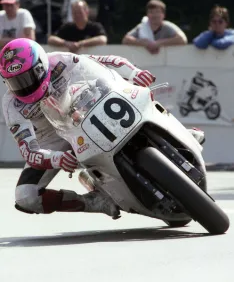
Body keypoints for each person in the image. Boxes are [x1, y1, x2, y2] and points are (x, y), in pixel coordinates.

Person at [0, 38, 204, 218]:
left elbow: (103, 61)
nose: (23, 87)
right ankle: (95, 202)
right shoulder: (11, 105)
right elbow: (29, 150)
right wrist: (55, 158)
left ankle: (182, 134)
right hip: (54, 140)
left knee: (140, 98)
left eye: (26, 78)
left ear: (40, 66)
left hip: (81, 111)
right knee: (26, 196)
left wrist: (134, 72)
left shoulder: (60, 60)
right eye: (14, 82)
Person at [122, 0, 187, 54]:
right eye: (151, 12)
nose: (154, 15)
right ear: (147, 14)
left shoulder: (167, 26)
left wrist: (158, 43)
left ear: (163, 14)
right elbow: (126, 39)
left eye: (157, 12)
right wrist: (146, 44)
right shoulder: (142, 26)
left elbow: (182, 39)